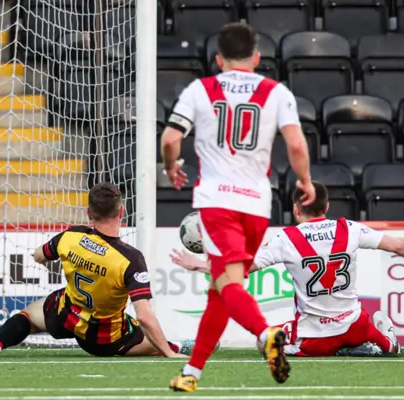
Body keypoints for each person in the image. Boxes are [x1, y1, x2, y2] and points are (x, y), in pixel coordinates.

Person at [160, 22, 315, 392]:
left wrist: (171, 166)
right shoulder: (276, 92)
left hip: (217, 201)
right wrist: (305, 180)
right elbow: (295, 145)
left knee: (226, 283)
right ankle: (191, 373)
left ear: (218, 59)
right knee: (221, 288)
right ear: (257, 57)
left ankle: (266, 334)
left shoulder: (201, 89)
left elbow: (170, 138)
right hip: (258, 205)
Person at [170, 181, 404, 358]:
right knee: (387, 346)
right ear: (326, 208)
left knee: (264, 343)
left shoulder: (286, 239)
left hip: (314, 337)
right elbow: (402, 247)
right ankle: (383, 341)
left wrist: (198, 264)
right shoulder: (349, 229)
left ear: (296, 209)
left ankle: (355, 346)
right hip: (354, 324)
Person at [0, 183, 190, 359]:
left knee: (29, 316)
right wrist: (167, 353)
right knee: (146, 337)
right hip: (102, 338)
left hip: (66, 314)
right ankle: (177, 347)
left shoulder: (72, 236)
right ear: (122, 212)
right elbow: (146, 315)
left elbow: (40, 255)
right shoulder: (130, 259)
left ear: (89, 214)